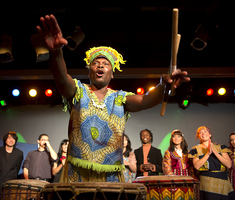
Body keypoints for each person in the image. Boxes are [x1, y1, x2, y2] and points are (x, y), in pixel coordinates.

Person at [36, 14, 189, 182]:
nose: (100, 65)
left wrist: (163, 86)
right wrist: (56, 52)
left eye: (106, 63)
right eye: (95, 63)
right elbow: (61, 78)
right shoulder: (79, 91)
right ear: (90, 71)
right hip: (78, 173)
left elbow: (146, 100)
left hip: (110, 176)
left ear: (112, 74)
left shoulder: (120, 98)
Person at [188, 126, 234, 199]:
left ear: (210, 134)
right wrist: (208, 153)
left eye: (205, 131)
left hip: (222, 181)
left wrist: (215, 152)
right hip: (207, 182)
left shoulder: (221, 147)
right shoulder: (195, 149)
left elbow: (229, 165)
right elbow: (197, 166)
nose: (203, 133)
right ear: (198, 137)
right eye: (200, 133)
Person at [0, 132, 24, 200]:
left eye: (13, 138)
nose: (11, 140)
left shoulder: (19, 153)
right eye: (9, 138)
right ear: (5, 139)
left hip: (10, 183)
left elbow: (17, 168)